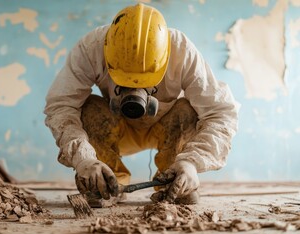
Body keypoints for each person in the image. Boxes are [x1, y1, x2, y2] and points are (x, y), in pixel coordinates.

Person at [44, 3, 239, 207]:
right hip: (115, 129)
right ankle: (107, 183)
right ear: (108, 53)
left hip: (168, 130)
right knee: (88, 108)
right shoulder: (92, 47)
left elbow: (220, 113)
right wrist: (83, 159)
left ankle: (175, 179)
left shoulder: (181, 50)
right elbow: (61, 105)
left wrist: (192, 162)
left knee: (187, 111)